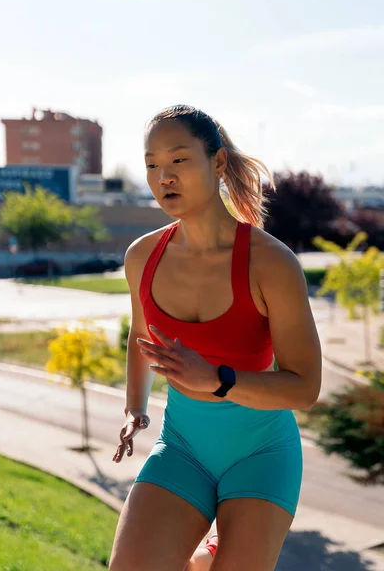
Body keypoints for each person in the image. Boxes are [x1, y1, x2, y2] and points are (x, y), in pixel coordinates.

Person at [108, 105, 321, 571]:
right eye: (151, 165)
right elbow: (143, 338)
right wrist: (135, 409)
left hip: (261, 453)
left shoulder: (270, 263)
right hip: (182, 446)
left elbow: (304, 387)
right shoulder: (142, 257)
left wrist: (218, 379)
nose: (164, 176)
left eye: (179, 160)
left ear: (218, 163)